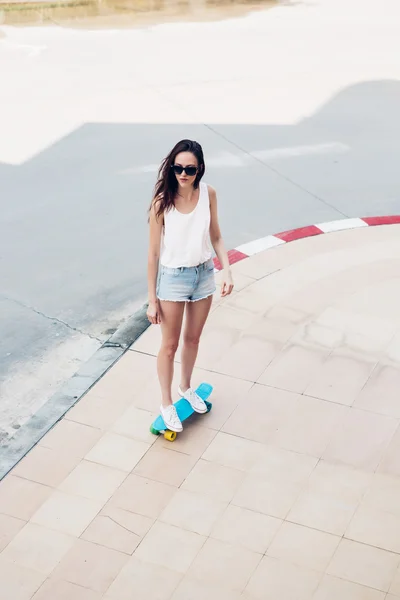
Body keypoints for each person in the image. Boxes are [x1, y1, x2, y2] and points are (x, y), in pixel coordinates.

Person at [147, 139, 234, 432]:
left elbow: (217, 237)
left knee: (193, 339)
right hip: (173, 278)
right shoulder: (162, 202)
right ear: (171, 168)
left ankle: (186, 387)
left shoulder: (209, 194)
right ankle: (166, 402)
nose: (183, 174)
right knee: (169, 345)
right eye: (178, 168)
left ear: (199, 170)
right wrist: (151, 299)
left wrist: (227, 272)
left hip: (203, 275)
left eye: (190, 169)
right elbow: (153, 254)